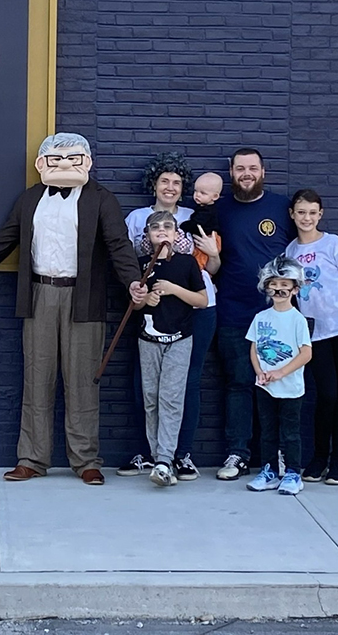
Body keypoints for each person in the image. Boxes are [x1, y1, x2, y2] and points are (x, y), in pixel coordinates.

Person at [0, 133, 146, 485]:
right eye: (55, 158)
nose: (64, 165)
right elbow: (5, 238)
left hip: (83, 298)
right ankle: (32, 457)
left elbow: (118, 245)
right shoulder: (31, 198)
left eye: (72, 159)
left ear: (86, 161)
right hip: (39, 295)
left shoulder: (101, 199)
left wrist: (132, 283)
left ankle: (86, 459)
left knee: (82, 382)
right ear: (42, 163)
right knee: (37, 379)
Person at [119, 153, 220, 481]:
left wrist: (215, 255)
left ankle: (181, 455)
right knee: (145, 385)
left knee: (186, 383)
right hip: (151, 309)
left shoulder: (197, 216)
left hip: (194, 308)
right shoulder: (137, 218)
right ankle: (150, 453)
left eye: (177, 183)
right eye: (165, 181)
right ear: (154, 184)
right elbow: (127, 263)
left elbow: (212, 268)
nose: (171, 187)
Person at [215, 147, 296, 481]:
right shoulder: (219, 209)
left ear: (264, 171)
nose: (245, 173)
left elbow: (301, 252)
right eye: (239, 168)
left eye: (252, 168)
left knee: (280, 385)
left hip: (276, 314)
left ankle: (274, 457)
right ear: (231, 173)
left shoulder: (281, 206)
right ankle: (238, 454)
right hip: (233, 311)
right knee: (238, 384)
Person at [133, 211, 208, 487]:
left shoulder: (187, 264)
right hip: (148, 339)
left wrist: (173, 289)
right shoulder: (141, 264)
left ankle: (166, 458)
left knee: (171, 398)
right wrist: (146, 299)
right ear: (148, 235)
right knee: (150, 397)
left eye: (168, 227)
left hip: (179, 339)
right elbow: (135, 304)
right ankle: (156, 457)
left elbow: (201, 300)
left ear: (177, 234)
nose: (162, 232)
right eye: (156, 228)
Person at [246, 255, 312, 495]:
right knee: (268, 430)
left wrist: (281, 372)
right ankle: (270, 470)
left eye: (285, 285)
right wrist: (259, 373)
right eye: (274, 284)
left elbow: (306, 353)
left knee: (291, 433)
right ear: (266, 286)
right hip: (265, 386)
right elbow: (254, 348)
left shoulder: (298, 320)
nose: (279, 289)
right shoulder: (260, 318)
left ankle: (293, 472)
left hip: (291, 388)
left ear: (295, 289)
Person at [286, 189, 338, 486]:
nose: (307, 218)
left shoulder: (332, 244)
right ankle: (320, 457)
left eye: (312, 212)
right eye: (301, 212)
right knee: (327, 395)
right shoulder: (290, 252)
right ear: (293, 214)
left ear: (320, 215)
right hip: (314, 334)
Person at [180, 172, 223, 271]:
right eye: (196, 191)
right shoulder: (202, 208)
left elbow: (196, 224)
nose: (197, 195)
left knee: (201, 258)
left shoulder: (208, 211)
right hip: (204, 238)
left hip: (210, 238)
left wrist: (182, 226)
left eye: (203, 193)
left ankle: (198, 272)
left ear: (215, 197)